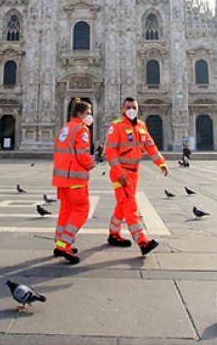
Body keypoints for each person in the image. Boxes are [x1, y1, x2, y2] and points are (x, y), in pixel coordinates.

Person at [105, 97, 168, 256]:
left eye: (134, 107)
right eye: (128, 107)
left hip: (134, 172)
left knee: (122, 204)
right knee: (130, 206)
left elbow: (150, 145)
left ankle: (114, 233)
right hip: (122, 173)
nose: (131, 109)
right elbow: (110, 151)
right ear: (123, 109)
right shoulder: (116, 126)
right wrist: (119, 173)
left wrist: (160, 162)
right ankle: (142, 241)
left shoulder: (141, 125)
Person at [51, 99, 96, 264]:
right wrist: (92, 164)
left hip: (61, 179)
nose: (90, 117)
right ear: (80, 114)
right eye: (88, 113)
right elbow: (83, 154)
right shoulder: (81, 130)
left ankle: (58, 242)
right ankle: (65, 245)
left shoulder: (65, 128)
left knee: (66, 211)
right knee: (81, 211)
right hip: (75, 178)